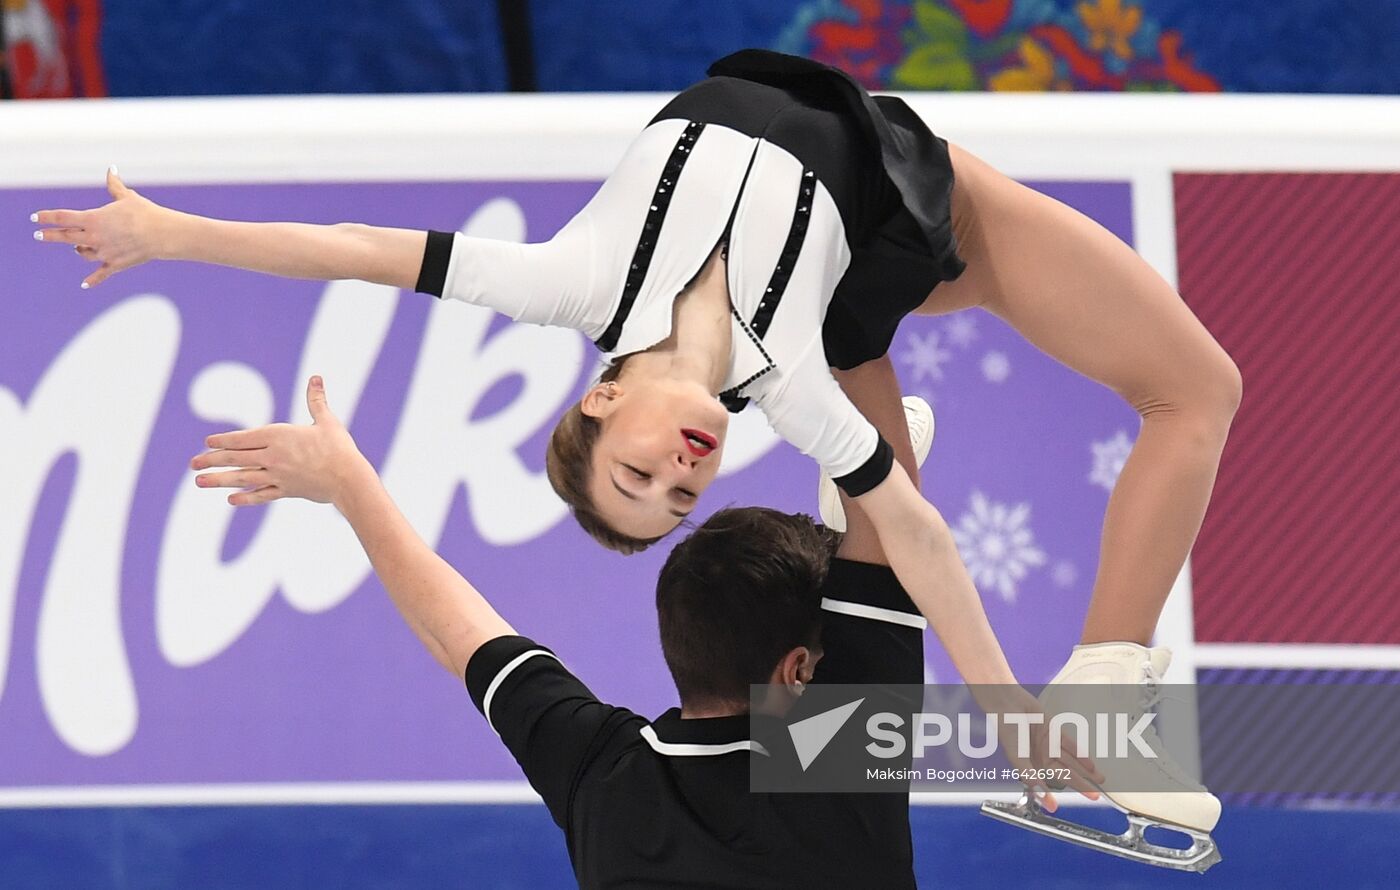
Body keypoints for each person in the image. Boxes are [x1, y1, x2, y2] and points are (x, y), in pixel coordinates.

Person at [33, 48, 1234, 862]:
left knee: (1188, 392)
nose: (683, 471)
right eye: (681, 494)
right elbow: (921, 539)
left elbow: (358, 247)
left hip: (894, 207)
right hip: (914, 214)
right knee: (1096, 425)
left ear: (601, 396)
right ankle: (1103, 681)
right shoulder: (784, 380)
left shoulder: (568, 281)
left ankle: (892, 489)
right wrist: (1011, 712)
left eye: (640, 470)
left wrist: (171, 232)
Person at [184, 370, 1097, 888]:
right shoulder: (838, 756)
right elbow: (892, 509)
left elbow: (458, 631)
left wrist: (348, 483)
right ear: (795, 671)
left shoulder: (604, 772)